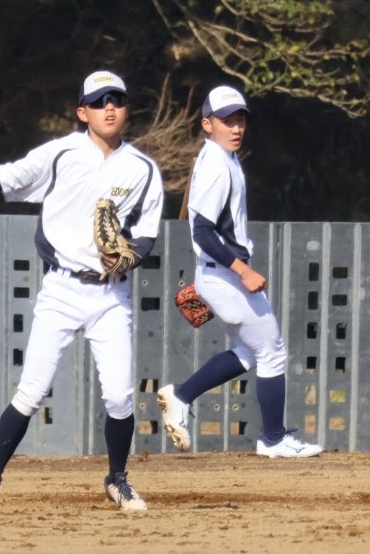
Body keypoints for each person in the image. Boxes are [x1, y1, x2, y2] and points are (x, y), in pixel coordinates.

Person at [0, 70, 164, 512]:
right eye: (99, 101)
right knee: (31, 393)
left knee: (120, 396)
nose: (109, 107)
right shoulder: (61, 153)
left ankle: (117, 479)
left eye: (117, 99)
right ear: (82, 112)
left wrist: (129, 257)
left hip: (110, 295)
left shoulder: (143, 169)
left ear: (127, 108)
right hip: (62, 289)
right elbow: (7, 177)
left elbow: (146, 236)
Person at [157, 85, 322, 459]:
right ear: (207, 124)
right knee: (273, 352)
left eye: (240, 119)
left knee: (250, 351)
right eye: (226, 120)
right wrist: (242, 271)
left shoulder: (221, 158)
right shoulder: (217, 165)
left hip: (218, 273)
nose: (236, 127)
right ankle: (273, 439)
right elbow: (202, 231)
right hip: (226, 275)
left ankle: (181, 395)